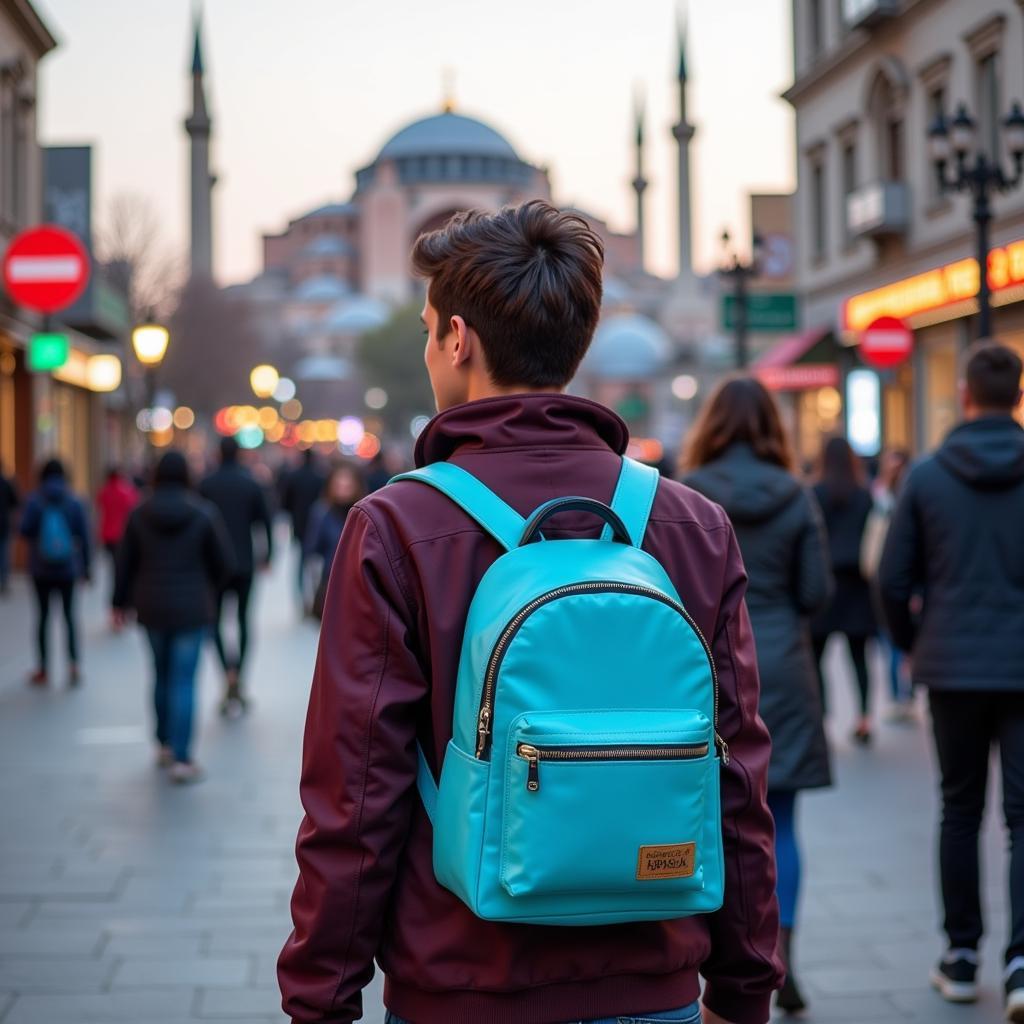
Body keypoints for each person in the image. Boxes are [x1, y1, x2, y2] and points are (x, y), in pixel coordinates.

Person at [278, 201, 782, 1024]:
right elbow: (735, 774)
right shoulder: (690, 525)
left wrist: (320, 1000)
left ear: (458, 339)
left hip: (461, 985)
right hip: (652, 980)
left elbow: (355, 793)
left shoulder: (397, 529)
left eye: (426, 327)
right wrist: (745, 984)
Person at [879, 342, 1024, 1019]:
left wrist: (915, 645)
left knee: (960, 809)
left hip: (953, 667)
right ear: (1016, 396)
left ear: (965, 394)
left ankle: (960, 957)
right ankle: (1022, 964)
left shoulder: (928, 478)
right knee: (1023, 820)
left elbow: (893, 578)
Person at [683, 376, 832, 1017]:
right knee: (784, 822)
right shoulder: (796, 496)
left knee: (712, 816)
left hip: (707, 669)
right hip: (784, 671)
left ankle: (712, 960)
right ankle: (783, 955)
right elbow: (818, 591)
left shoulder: (685, 496)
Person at [113, 450, 233, 784]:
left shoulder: (139, 513)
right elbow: (223, 564)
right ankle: (182, 757)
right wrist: (207, 589)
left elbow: (124, 563)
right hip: (192, 608)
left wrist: (118, 603)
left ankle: (163, 744)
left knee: (160, 675)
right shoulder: (203, 513)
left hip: (151, 605)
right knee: (184, 680)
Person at [199, 436, 274, 716]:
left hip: (214, 565)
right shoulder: (251, 483)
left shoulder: (206, 483)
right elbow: (265, 520)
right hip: (244, 561)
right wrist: (268, 555)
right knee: (243, 620)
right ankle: (238, 674)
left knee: (215, 621)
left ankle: (227, 672)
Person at [812, 436, 876, 744]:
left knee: (816, 658)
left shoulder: (815, 494)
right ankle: (864, 718)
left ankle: (823, 721)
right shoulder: (864, 495)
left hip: (826, 585)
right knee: (860, 657)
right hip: (857, 586)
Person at [19, 459, 91, 686]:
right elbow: (85, 536)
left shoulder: (34, 500)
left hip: (41, 569)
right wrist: (86, 568)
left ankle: (43, 669)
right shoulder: (74, 501)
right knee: (69, 617)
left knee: (43, 618)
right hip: (68, 569)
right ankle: (73, 665)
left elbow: (24, 530)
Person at [861, 448, 913, 722]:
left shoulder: (882, 501)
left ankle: (901, 697)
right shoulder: (889, 499)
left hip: (887, 580)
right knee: (898, 642)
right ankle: (905, 696)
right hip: (905, 582)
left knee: (892, 641)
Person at [304, 461, 365, 619]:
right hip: (331, 582)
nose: (343, 489)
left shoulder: (364, 513)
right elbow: (312, 548)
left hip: (360, 583)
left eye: (348, 485)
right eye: (339, 484)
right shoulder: (322, 512)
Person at [280, 448, 326, 611]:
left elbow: (285, 502)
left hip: (299, 524)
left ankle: (301, 600)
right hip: (317, 526)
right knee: (315, 564)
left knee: (299, 564)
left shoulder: (294, 477)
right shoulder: (320, 477)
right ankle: (316, 597)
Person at [96, 466, 140, 621]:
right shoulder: (127, 491)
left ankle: (117, 610)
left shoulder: (104, 491)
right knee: (123, 572)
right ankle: (124, 607)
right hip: (123, 536)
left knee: (116, 571)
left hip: (109, 537)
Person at [0, 464, 19, 594]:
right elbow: (16, 502)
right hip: (3, 523)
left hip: (4, 524)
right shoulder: (6, 483)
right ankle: (3, 581)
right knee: (4, 554)